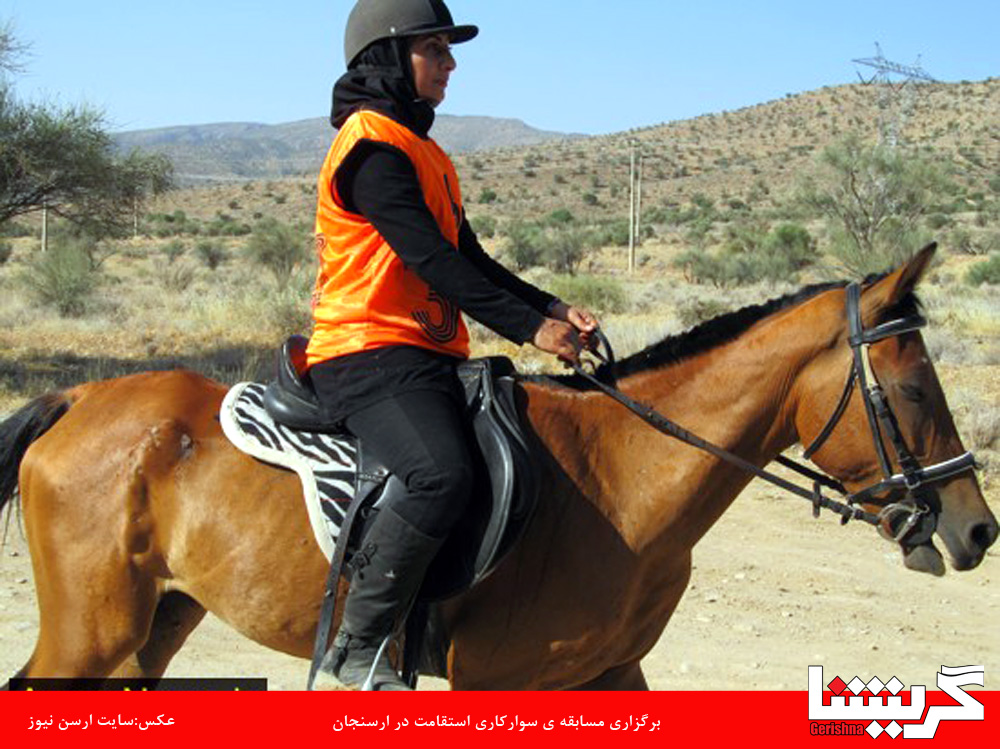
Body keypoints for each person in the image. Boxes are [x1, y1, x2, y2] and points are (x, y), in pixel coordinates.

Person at [306, 0, 598, 691]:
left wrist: (551, 305)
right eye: (433, 48)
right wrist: (531, 330)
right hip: (365, 351)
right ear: (388, 56)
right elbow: (431, 260)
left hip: (424, 352)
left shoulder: (425, 151)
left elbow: (469, 256)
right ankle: (359, 645)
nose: (450, 63)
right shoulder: (371, 144)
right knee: (441, 474)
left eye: (447, 49)